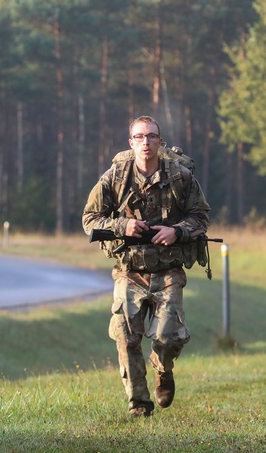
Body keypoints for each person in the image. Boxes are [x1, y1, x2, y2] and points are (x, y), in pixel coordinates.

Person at [82, 115, 211, 417]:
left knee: (168, 337)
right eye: (139, 137)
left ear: (160, 141)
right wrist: (122, 225)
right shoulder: (115, 177)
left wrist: (176, 231)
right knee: (126, 337)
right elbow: (90, 219)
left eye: (151, 136)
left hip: (168, 270)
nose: (145, 142)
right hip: (129, 270)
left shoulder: (180, 177)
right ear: (131, 142)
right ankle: (139, 404)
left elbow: (201, 217)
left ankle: (162, 369)